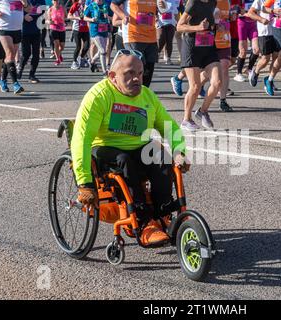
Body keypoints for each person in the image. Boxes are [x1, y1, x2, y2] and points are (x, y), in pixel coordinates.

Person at [71, 51, 189, 246]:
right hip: (105, 148)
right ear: (112, 76)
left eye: (141, 73)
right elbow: (81, 139)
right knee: (124, 161)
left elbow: (170, 127)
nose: (137, 78)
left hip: (138, 147)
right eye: (129, 73)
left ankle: (163, 215)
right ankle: (143, 224)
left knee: (161, 156)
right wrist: (85, 183)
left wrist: (179, 151)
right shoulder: (99, 96)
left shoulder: (147, 96)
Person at [177, 0, 221, 131]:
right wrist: (198, 28)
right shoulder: (193, 3)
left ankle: (203, 111)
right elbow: (179, 26)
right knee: (195, 86)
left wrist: (215, 26)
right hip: (192, 48)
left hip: (208, 47)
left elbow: (209, 21)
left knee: (217, 82)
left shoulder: (213, 2)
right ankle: (186, 119)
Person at [110, 0, 159, 87]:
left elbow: (157, 9)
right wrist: (123, 16)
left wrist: (157, 15)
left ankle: (143, 94)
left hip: (151, 36)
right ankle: (128, 93)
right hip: (133, 35)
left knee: (148, 69)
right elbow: (113, 5)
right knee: (136, 67)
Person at [0, 0, 29, 94]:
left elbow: (29, 8)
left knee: (10, 57)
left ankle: (3, 80)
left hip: (17, 29)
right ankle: (15, 84)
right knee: (10, 53)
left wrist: (25, 4)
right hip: (4, 28)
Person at [247, 0, 281, 96]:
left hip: (277, 30)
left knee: (277, 57)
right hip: (265, 32)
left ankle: (270, 80)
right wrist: (261, 19)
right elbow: (250, 13)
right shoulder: (260, 1)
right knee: (265, 59)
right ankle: (256, 72)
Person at [18, 0, 46, 83]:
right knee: (26, 54)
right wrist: (23, 15)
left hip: (36, 31)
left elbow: (43, 12)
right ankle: (20, 70)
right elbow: (15, 9)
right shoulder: (24, 1)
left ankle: (32, 75)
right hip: (24, 32)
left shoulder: (41, 1)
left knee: (36, 55)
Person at [233, 0, 259, 82]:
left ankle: (248, 69)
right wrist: (239, 10)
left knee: (257, 49)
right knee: (243, 51)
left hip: (253, 24)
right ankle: (238, 73)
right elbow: (234, 9)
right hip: (242, 23)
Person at [84, 0, 110, 75]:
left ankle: (92, 61)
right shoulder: (91, 6)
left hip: (104, 30)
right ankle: (105, 71)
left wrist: (108, 16)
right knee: (102, 51)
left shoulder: (106, 5)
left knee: (101, 51)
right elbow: (84, 17)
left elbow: (112, 16)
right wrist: (91, 19)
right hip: (95, 30)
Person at [68, 0, 90, 70]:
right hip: (77, 29)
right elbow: (69, 16)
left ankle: (81, 58)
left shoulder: (87, 6)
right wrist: (77, 18)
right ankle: (74, 62)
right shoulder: (75, 5)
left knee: (87, 46)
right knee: (78, 46)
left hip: (86, 29)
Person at [157, 0, 179, 65]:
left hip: (171, 24)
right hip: (161, 24)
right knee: (161, 39)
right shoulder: (158, 1)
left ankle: (168, 58)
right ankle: (157, 54)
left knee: (169, 41)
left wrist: (177, 23)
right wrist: (156, 20)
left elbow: (176, 13)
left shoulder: (173, 1)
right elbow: (155, 12)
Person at [48, 0, 66, 66]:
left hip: (62, 29)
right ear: (52, 2)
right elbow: (47, 20)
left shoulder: (63, 8)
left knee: (62, 47)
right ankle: (57, 59)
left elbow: (66, 17)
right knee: (56, 44)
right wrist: (49, 22)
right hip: (53, 28)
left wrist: (64, 21)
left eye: (57, 0)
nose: (56, 1)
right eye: (54, 0)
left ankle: (59, 53)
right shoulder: (50, 9)